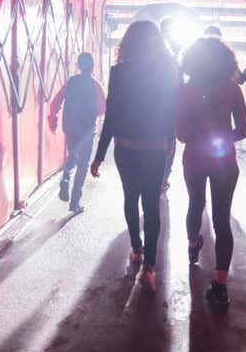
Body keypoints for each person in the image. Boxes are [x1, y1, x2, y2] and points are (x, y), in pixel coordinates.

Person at [90, 21, 178, 293]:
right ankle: (149, 267)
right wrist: (168, 145)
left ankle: (136, 248)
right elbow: (169, 113)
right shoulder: (167, 71)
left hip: (125, 147)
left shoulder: (119, 72)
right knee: (152, 204)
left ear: (128, 43)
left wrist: (99, 155)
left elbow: (112, 116)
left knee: (130, 198)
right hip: (153, 147)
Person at [176, 37, 246, 309]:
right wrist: (222, 136)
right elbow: (243, 130)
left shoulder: (185, 91)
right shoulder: (232, 90)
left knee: (195, 203)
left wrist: (200, 135)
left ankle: (193, 244)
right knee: (222, 220)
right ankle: (220, 286)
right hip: (224, 162)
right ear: (224, 61)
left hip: (194, 158)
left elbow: (181, 134)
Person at [48, 52, 106, 214]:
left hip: (70, 127)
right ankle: (74, 203)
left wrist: (54, 117)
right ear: (93, 66)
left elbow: (56, 102)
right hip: (87, 130)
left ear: (78, 66)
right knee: (83, 165)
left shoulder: (71, 83)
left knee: (72, 155)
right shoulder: (95, 85)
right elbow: (102, 108)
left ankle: (65, 178)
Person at [159, 16, 182, 193]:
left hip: (154, 109)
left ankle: (158, 178)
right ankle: (163, 179)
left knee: (155, 144)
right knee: (169, 146)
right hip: (171, 108)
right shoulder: (175, 53)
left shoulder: (153, 49)